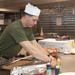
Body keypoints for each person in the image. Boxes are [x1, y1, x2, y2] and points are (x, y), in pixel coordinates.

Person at [0, 3, 56, 67]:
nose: (35, 23)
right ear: (26, 17)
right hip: (1, 58)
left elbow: (35, 45)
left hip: (10, 58)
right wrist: (49, 60)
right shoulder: (16, 28)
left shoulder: (28, 28)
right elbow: (31, 50)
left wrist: (49, 56)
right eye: (34, 20)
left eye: (36, 21)